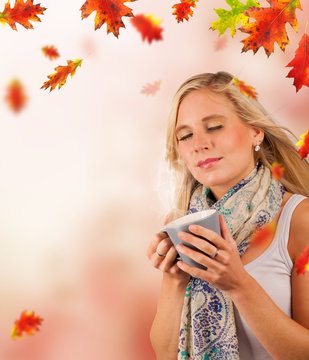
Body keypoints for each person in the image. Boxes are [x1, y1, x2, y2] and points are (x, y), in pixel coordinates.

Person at [147, 71, 309, 360]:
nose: (198, 144)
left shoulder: (299, 219)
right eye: (185, 135)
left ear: (255, 131)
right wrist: (175, 280)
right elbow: (165, 354)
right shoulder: (181, 222)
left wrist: (238, 284)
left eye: (215, 127)